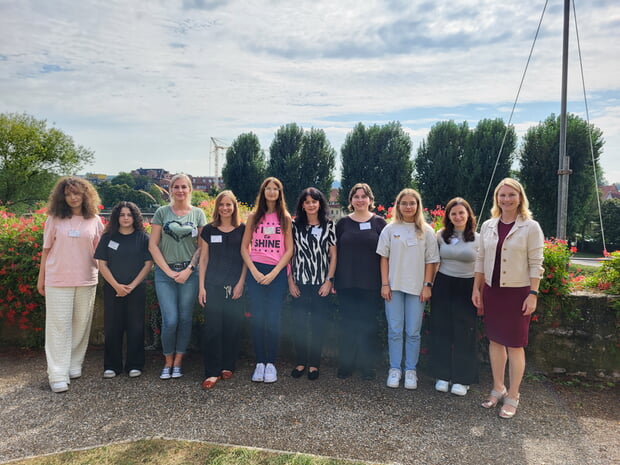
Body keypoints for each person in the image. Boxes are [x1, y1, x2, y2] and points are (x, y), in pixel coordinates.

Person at [472, 178, 544, 419]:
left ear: (520, 197)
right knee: (495, 342)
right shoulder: (489, 225)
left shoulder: (530, 227)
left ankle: (513, 394)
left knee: (515, 345)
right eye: (502, 195)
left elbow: (536, 264)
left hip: (518, 293)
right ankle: (498, 387)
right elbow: (480, 260)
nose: (506, 199)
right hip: (493, 292)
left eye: (511, 195)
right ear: (497, 199)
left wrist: (533, 294)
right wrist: (477, 290)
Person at [37, 177, 104, 393]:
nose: (73, 197)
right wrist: (42, 278)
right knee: (58, 326)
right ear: (62, 197)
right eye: (68, 194)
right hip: (58, 280)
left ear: (86, 195)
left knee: (81, 324)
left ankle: (74, 364)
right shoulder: (54, 219)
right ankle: (57, 373)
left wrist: (111, 277)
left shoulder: (95, 220)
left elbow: (100, 255)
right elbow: (46, 250)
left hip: (86, 279)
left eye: (77, 193)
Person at [377, 188, 439, 389]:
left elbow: (431, 261)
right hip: (394, 288)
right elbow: (383, 258)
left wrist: (427, 285)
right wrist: (385, 284)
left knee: (413, 332)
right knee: (395, 330)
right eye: (404, 203)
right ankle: (395, 369)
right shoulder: (390, 229)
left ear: (418, 206)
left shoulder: (426, 231)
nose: (408, 206)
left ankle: (410, 370)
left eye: (412, 203)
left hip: (417, 289)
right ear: (398, 206)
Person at [149, 174, 206, 380]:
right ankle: (167, 360)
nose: (180, 190)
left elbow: (201, 247)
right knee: (170, 320)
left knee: (184, 319)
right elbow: (153, 245)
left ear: (190, 190)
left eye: (184, 187)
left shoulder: (198, 214)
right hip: (165, 274)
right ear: (171, 190)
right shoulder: (162, 212)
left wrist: (189, 269)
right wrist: (168, 271)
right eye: (176, 187)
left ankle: (179, 361)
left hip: (189, 274)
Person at [241, 177, 293, 383]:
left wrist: (274, 273)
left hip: (277, 272)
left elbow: (290, 250)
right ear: (262, 192)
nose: (271, 192)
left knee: (272, 319)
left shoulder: (285, 217)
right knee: (258, 318)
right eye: (268, 189)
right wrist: (253, 270)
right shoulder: (254, 217)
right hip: (256, 271)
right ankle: (259, 363)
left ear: (280, 193)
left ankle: (271, 363)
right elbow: (244, 247)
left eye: (275, 189)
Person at [94, 201, 153, 379]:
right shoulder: (108, 238)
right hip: (113, 290)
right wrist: (117, 286)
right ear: (116, 217)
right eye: (122, 215)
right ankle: (112, 366)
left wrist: (132, 286)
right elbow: (101, 264)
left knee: (136, 327)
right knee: (113, 327)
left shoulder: (143, 238)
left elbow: (148, 264)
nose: (126, 218)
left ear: (135, 217)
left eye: (129, 215)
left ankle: (135, 364)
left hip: (136, 289)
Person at [334, 183, 386, 380]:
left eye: (364, 196)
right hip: (346, 283)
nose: (360, 199)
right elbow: (335, 253)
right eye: (356, 196)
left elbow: (386, 256)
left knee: (368, 325)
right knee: (347, 324)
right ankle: (346, 364)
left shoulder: (380, 223)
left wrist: (385, 283)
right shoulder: (342, 224)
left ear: (370, 200)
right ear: (350, 201)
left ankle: (367, 366)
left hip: (372, 285)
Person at [429, 197, 480, 396]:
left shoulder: (479, 238)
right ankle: (442, 375)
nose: (458, 216)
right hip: (443, 284)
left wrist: (478, 291)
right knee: (441, 329)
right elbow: (434, 262)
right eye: (453, 213)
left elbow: (482, 268)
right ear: (448, 217)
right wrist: (430, 285)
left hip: (467, 286)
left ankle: (462, 378)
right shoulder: (440, 236)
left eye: (461, 212)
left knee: (465, 332)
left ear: (468, 214)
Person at [198, 190, 247, 390]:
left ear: (234, 207)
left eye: (229, 204)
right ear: (217, 207)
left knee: (232, 329)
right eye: (221, 204)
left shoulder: (242, 229)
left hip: (235, 287)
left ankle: (228, 365)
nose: (225, 208)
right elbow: (204, 258)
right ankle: (212, 371)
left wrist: (241, 283)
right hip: (213, 286)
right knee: (213, 330)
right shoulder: (209, 230)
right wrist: (201, 286)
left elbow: (246, 258)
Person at [288, 187, 337, 381]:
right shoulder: (294, 225)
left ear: (319, 203)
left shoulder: (329, 225)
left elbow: (333, 255)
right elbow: (289, 255)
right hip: (299, 283)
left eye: (314, 201)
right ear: (302, 205)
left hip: (320, 285)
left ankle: (314, 364)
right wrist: (290, 281)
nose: (310, 205)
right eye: (307, 202)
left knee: (318, 325)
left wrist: (328, 281)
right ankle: (300, 362)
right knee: (299, 324)